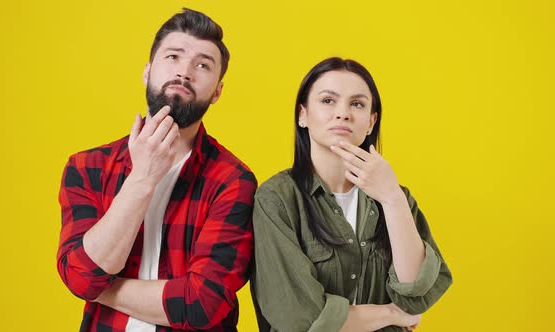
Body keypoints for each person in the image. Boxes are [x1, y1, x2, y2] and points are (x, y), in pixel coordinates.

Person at [57, 8, 257, 332]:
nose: (185, 72)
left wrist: (97, 287)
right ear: (148, 71)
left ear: (218, 91)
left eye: (203, 65)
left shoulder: (233, 182)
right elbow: (82, 274)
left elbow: (201, 304)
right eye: (173, 57)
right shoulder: (87, 167)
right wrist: (143, 178)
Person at [251, 57, 452, 332]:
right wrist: (391, 313)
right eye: (327, 101)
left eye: (357, 104)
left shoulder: (397, 198)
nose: (343, 113)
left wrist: (392, 199)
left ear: (371, 122)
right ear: (303, 114)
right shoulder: (276, 200)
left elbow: (416, 292)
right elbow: (300, 318)